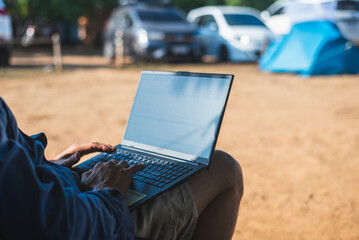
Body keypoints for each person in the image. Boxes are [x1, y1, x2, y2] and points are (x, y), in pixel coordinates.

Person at [0, 97, 243, 240]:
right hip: (91, 213)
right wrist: (106, 192)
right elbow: (54, 226)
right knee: (224, 169)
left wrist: (47, 165)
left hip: (63, 188)